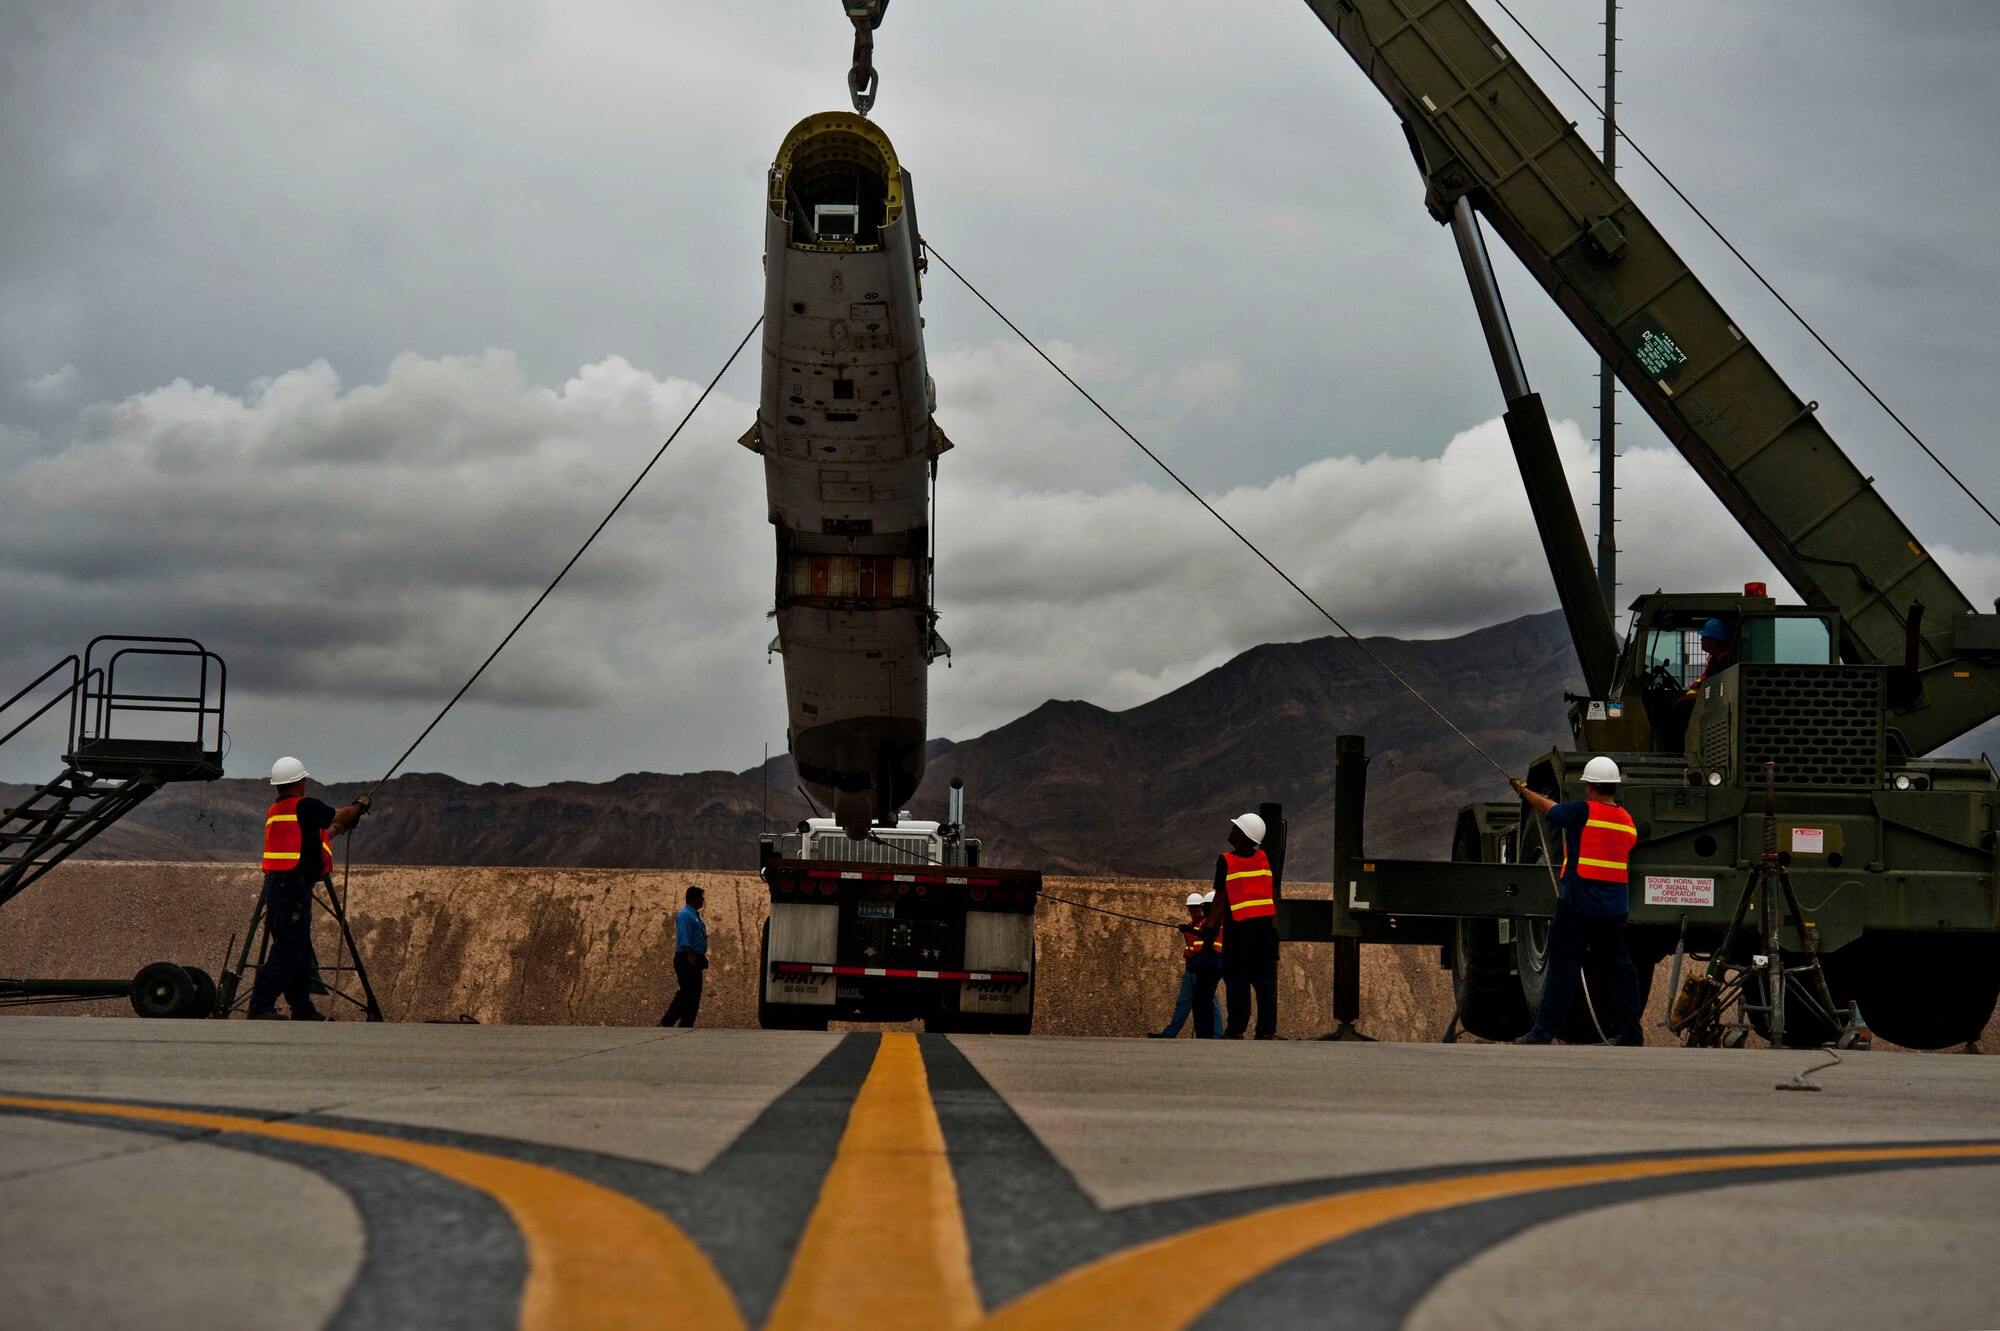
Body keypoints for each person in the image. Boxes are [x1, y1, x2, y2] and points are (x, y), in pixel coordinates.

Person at [1509, 756, 1645, 1046]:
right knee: (1621, 968)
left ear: (1590, 787)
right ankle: (1632, 1033)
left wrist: (1523, 791)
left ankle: (1543, 1032)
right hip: (1615, 908)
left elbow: (1550, 809)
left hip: (1578, 904)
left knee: (1563, 966)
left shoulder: (1582, 812)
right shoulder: (1626, 820)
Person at [249, 756, 369, 1020]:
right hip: (293, 889)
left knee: (298, 947)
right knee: (289, 948)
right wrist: (360, 805)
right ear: (300, 782)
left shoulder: (277, 811)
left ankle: (302, 1008)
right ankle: (260, 1006)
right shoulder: (305, 806)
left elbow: (318, 835)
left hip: (278, 887)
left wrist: (339, 826)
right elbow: (344, 814)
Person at [1209, 812, 1279, 1039]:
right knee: (1264, 980)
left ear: (1243, 835)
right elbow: (1273, 894)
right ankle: (1266, 1031)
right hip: (1265, 929)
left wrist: (1210, 926)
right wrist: (1273, 928)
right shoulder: (1264, 859)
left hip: (1239, 928)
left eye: (1236, 828)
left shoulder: (1227, 860)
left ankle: (1236, 1029)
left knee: (1237, 979)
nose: (1231, 831)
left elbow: (1220, 897)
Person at [1148, 891, 1223, 1038]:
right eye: (1191, 907)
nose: (1194, 910)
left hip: (1202, 966)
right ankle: (1170, 1033)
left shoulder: (1207, 923)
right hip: (1192, 967)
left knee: (1209, 1003)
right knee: (1184, 1003)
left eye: (1197, 907)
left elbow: (1206, 938)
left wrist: (1190, 930)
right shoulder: (1192, 925)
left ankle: (1216, 1034)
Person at [659, 885, 709, 1027]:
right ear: (695, 898)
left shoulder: (694, 915)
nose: (703, 900)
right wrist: (691, 956)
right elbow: (684, 940)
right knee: (686, 992)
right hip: (686, 958)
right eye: (701, 897)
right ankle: (667, 1022)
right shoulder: (685, 915)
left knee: (694, 994)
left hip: (695, 958)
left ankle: (687, 1024)